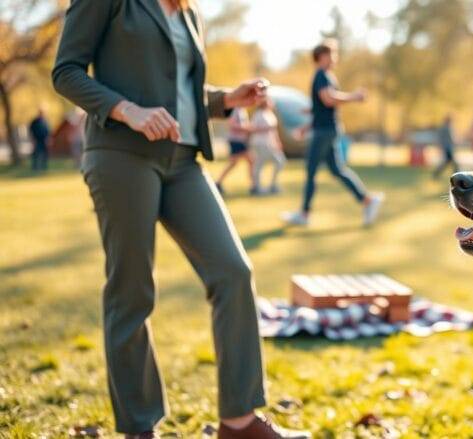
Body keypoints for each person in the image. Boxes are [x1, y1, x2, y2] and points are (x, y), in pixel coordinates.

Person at [52, 1, 309, 437]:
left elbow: (176, 91)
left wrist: (226, 99)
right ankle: (139, 426)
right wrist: (126, 109)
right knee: (131, 289)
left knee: (232, 271)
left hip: (184, 162)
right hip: (121, 156)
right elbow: (66, 72)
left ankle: (240, 421)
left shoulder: (188, 12)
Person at [283, 40, 383, 227]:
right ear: (321, 57)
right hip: (326, 130)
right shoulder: (322, 76)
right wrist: (307, 127)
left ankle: (304, 214)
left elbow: (327, 101)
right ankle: (367, 200)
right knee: (337, 170)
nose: (334, 58)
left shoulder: (325, 77)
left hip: (325, 132)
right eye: (331, 54)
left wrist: (353, 96)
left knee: (311, 170)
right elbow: (324, 104)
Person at [215, 107, 257, 196]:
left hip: (240, 140)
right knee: (251, 160)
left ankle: (218, 183)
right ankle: (253, 186)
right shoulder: (235, 110)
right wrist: (247, 128)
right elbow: (232, 125)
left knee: (234, 163)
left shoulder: (242, 109)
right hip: (236, 140)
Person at [249, 98, 285, 194]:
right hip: (260, 143)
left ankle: (273, 185)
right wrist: (266, 128)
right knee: (259, 165)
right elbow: (253, 128)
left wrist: (278, 142)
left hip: (270, 144)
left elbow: (274, 131)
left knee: (280, 161)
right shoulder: (258, 114)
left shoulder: (270, 114)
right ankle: (256, 187)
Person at [432, 114, 459, 179]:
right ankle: (457, 175)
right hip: (447, 148)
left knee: (447, 162)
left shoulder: (445, 127)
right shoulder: (446, 128)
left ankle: (436, 174)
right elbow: (448, 138)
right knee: (453, 163)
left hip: (447, 147)